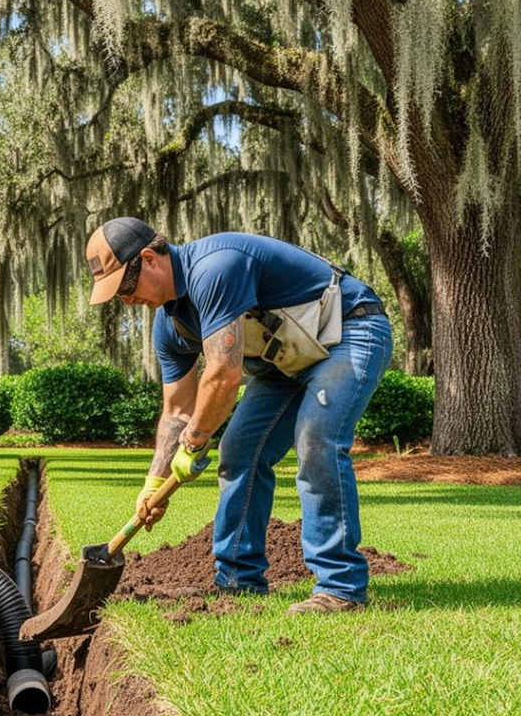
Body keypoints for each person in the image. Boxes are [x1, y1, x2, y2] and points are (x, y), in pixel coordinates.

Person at [85, 217, 393, 612]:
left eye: (125, 287)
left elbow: (224, 374)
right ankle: (238, 581)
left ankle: (341, 587)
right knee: (240, 451)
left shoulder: (216, 267)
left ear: (149, 259)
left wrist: (194, 442)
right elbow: (176, 409)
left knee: (317, 438)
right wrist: (154, 481)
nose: (126, 301)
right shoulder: (169, 327)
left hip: (350, 329)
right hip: (286, 361)